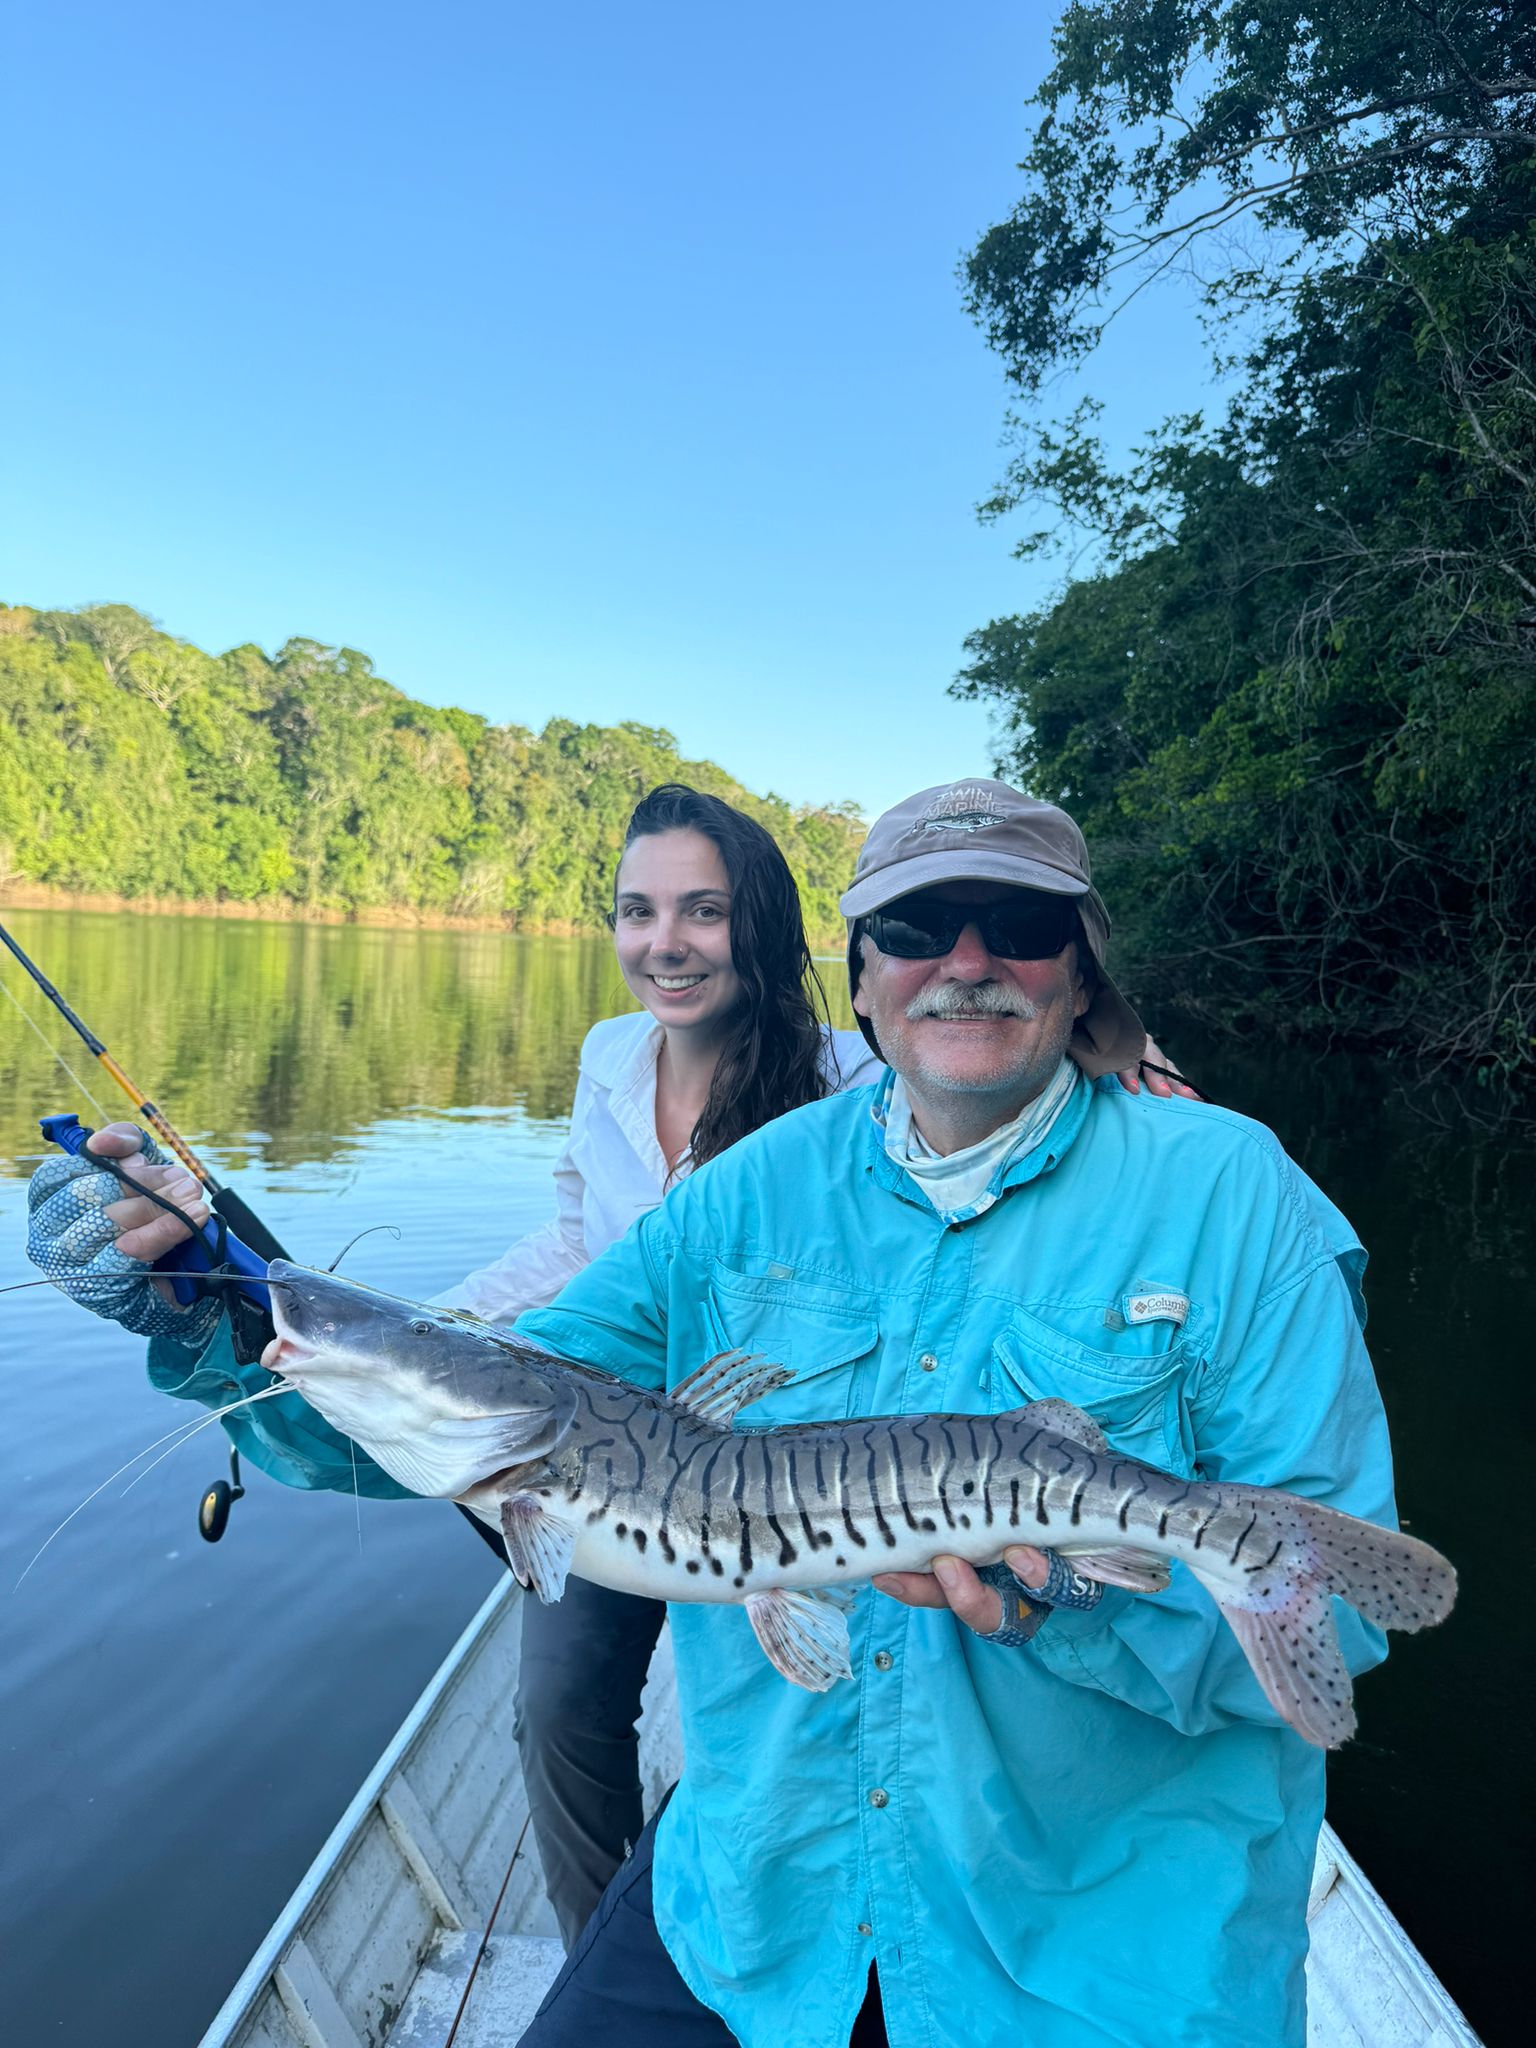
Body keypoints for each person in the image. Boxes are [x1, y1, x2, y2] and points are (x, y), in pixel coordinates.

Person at [25, 774, 1194, 1961]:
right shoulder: (607, 1057)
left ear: (769, 928)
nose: (664, 943)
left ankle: (823, 1912)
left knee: (828, 1705)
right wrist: (421, 1326)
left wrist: (1126, 1059)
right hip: (595, 1433)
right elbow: (578, 1242)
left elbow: (983, 1082)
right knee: (554, 1707)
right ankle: (603, 1945)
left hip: (780, 1458)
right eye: (637, 910)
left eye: (701, 909)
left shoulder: (856, 1080)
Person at [487, 779, 1395, 2048]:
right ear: (862, 979)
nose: (966, 962)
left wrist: (1065, 1607)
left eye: (1015, 923)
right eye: (917, 929)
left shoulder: (1240, 1196)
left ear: (1079, 974)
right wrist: (225, 1312)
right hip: (759, 1899)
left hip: (1092, 1961)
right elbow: (508, 1381)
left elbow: (1336, 1608)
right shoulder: (750, 1189)